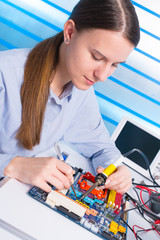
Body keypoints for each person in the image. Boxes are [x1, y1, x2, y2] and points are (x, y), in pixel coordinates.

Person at [0, 0, 140, 194]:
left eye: (114, 64)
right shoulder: (4, 75)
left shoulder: (81, 92)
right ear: (70, 32)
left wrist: (115, 170)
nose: (103, 76)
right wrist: (12, 165)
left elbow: (101, 147)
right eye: (97, 57)